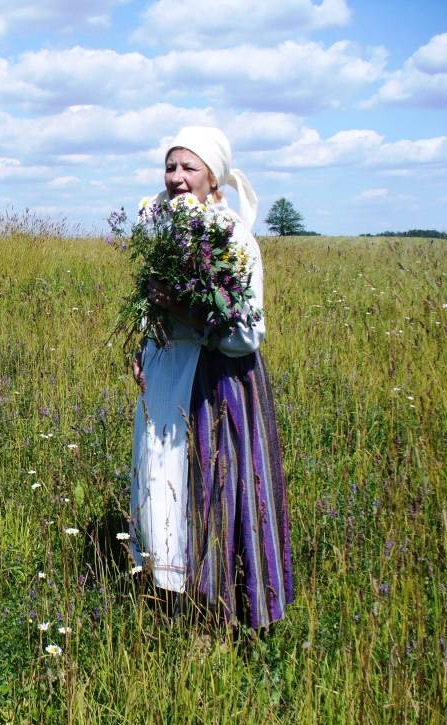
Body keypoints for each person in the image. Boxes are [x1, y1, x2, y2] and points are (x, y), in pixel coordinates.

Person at [128, 126, 293, 629]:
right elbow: (150, 304)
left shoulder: (233, 236)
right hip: (165, 376)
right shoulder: (161, 231)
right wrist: (143, 345)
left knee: (211, 487)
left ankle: (217, 615)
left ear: (212, 178)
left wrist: (189, 313)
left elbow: (247, 331)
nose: (177, 178)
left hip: (215, 381)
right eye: (171, 167)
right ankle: (167, 596)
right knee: (160, 483)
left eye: (188, 168)